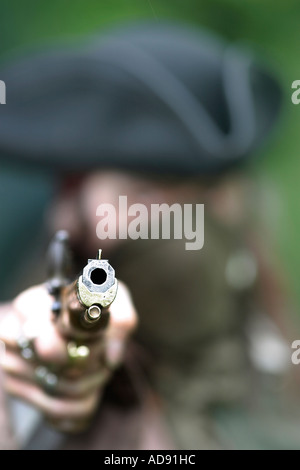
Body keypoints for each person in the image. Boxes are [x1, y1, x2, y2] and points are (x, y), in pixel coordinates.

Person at [0, 21, 298, 450]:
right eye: (143, 193)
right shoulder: (42, 336)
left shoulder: (270, 351)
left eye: (207, 197)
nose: (182, 223)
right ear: (72, 199)